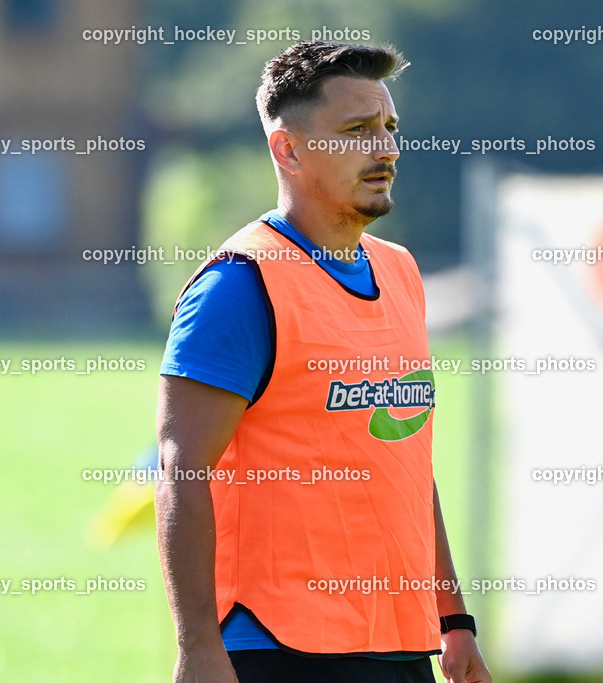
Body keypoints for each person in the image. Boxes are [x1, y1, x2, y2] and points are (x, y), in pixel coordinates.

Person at [154, 41, 491, 683]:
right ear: (289, 149)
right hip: (278, 649)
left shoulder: (401, 271)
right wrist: (198, 648)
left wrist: (453, 621)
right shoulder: (239, 285)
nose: (385, 148)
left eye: (389, 128)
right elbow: (181, 466)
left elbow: (409, 465)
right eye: (356, 131)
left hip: (400, 643)